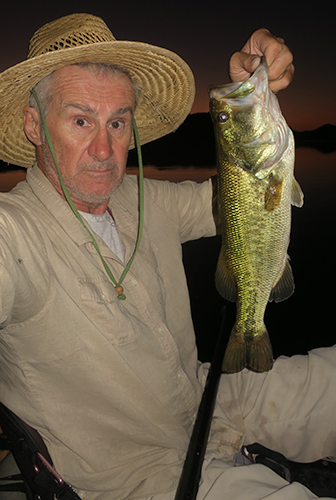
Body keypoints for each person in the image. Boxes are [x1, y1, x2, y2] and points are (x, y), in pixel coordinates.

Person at [0, 12, 334, 500]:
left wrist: (252, 93)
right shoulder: (13, 231)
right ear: (34, 124)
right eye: (80, 120)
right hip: (138, 476)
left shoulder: (144, 199)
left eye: (117, 122)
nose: (103, 147)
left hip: (206, 396)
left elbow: (248, 191)